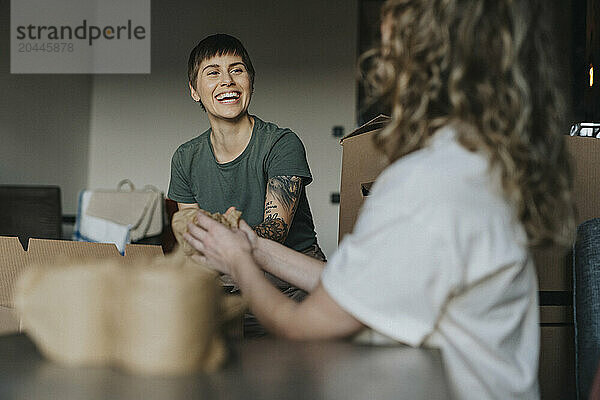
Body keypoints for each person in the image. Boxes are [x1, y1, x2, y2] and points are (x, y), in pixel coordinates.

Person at [184, 1, 575, 399]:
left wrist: (237, 259)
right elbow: (354, 288)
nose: (380, 58)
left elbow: (301, 325)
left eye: (388, 44)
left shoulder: (426, 187)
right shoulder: (471, 164)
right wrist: (257, 250)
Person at [168, 34, 326, 314]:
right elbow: (193, 235)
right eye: (213, 72)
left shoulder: (281, 143)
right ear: (194, 90)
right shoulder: (185, 158)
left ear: (250, 81)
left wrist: (220, 237)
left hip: (292, 285)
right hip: (225, 285)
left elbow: (275, 231)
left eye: (237, 70)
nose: (227, 80)